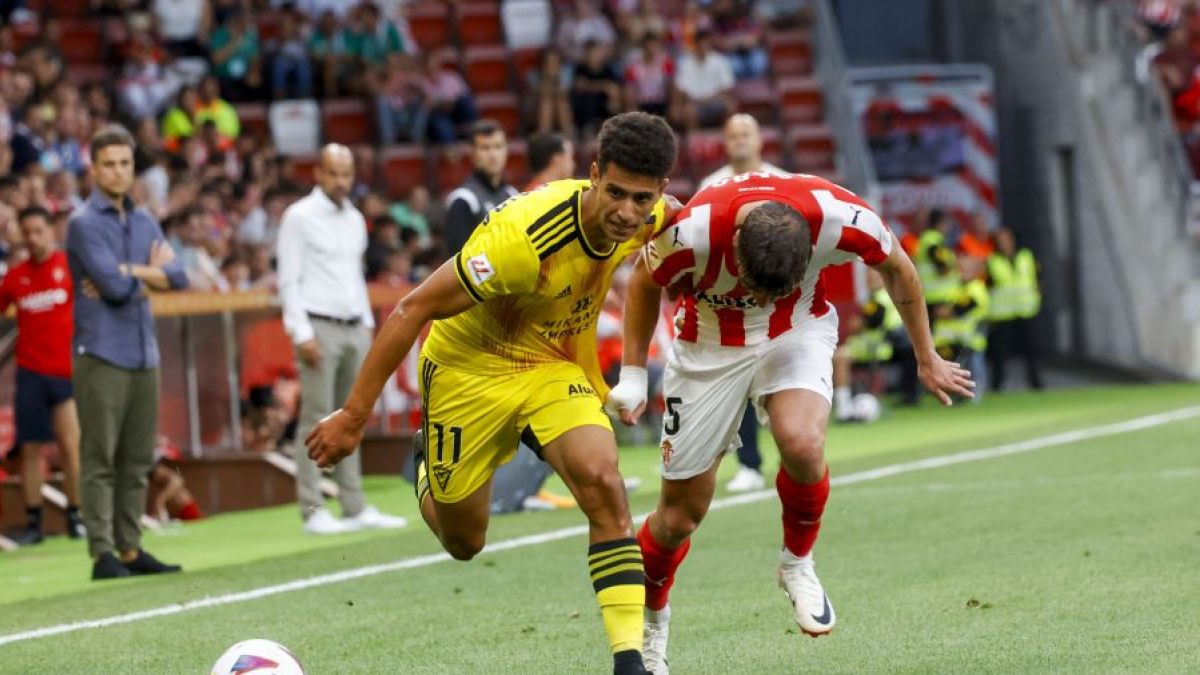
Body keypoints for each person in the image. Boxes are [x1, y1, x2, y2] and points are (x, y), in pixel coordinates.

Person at [306, 112, 680, 675]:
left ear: (659, 191)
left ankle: (630, 663)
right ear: (594, 174)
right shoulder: (523, 240)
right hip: (468, 371)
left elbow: (686, 236)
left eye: (641, 199)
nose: (626, 212)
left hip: (548, 366)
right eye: (616, 193)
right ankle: (428, 461)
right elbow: (412, 309)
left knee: (604, 482)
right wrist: (354, 417)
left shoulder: (656, 216)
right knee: (464, 541)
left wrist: (626, 374)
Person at [606, 172, 973, 672]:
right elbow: (644, 282)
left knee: (802, 444)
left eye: (770, 291)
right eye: (755, 287)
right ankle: (652, 627)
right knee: (678, 519)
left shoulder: (840, 216)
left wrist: (925, 356)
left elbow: (899, 267)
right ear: (736, 240)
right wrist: (632, 375)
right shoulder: (692, 230)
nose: (759, 299)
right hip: (707, 346)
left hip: (795, 331)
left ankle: (797, 564)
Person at [66, 124, 190, 581]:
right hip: (101, 350)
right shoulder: (82, 223)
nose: (118, 172)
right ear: (94, 169)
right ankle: (102, 553)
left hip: (143, 352)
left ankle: (131, 548)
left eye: (125, 163)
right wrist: (147, 274)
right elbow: (116, 288)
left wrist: (128, 271)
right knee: (100, 456)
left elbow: (178, 277)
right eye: (109, 164)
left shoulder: (144, 220)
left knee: (138, 458)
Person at [275, 143, 408, 536]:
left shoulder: (353, 218)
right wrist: (300, 331)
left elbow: (353, 275)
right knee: (315, 417)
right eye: (333, 173)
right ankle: (313, 509)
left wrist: (366, 324)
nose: (340, 181)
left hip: (353, 324)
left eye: (346, 174)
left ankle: (354, 506)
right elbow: (288, 279)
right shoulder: (298, 216)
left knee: (352, 415)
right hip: (317, 324)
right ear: (317, 174)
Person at [699, 114, 788, 492]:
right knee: (741, 384)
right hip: (733, 302)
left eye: (745, 133)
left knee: (782, 382)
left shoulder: (782, 182)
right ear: (725, 142)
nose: (739, 140)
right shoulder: (711, 185)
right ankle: (749, 464)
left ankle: (794, 458)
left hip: (781, 300)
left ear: (760, 140)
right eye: (732, 135)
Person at [0, 206, 83, 545]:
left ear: (51, 231)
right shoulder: (16, 277)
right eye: (27, 232)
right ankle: (34, 522)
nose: (33, 238)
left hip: (65, 372)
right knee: (30, 449)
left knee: (70, 445)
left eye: (38, 231)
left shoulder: (70, 267)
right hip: (30, 374)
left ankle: (76, 516)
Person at [443, 120, 517, 256]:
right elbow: (458, 259)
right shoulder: (463, 199)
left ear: (506, 150)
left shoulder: (512, 195)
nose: (493, 155)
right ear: (472, 152)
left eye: (498, 147)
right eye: (485, 148)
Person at [985, 227, 1044, 392]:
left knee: (1032, 350)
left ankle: (1036, 384)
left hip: (1026, 311)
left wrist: (1037, 297)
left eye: (1005, 239)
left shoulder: (1027, 257)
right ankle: (997, 386)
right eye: (1000, 240)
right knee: (1000, 353)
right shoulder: (992, 261)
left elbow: (1038, 278)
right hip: (1002, 314)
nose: (1003, 243)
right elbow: (988, 286)